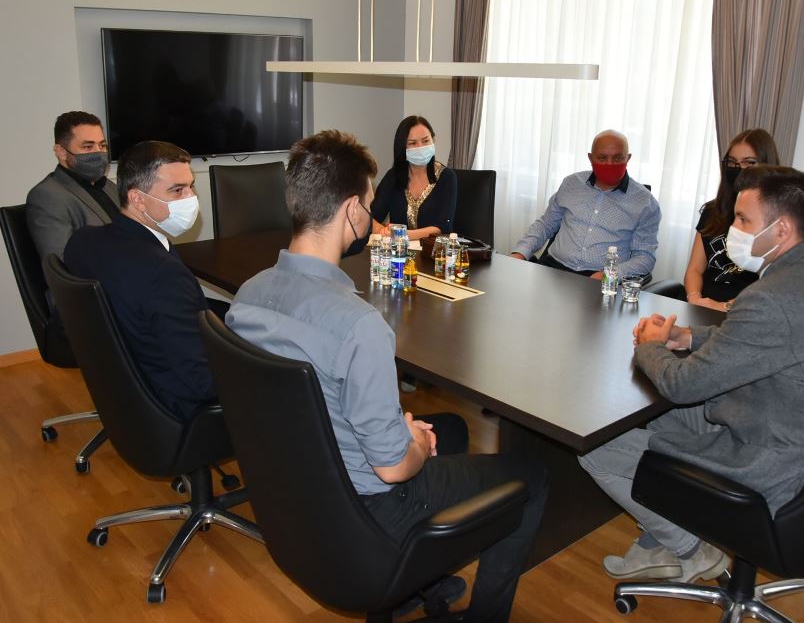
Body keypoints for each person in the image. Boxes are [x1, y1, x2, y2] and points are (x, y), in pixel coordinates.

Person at [226, 129, 548, 622]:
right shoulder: (358, 325)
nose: (371, 215)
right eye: (369, 204)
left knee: (450, 430)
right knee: (533, 476)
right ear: (351, 211)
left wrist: (404, 432)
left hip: (298, 496)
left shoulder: (247, 297)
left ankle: (422, 585)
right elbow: (394, 469)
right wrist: (410, 442)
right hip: (370, 511)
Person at [578, 166, 804, 584]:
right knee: (658, 418)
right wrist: (686, 336)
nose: (733, 230)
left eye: (743, 220)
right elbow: (758, 339)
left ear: (782, 229)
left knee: (597, 447)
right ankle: (666, 531)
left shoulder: (771, 298)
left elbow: (682, 386)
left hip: (773, 465)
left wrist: (650, 347)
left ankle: (690, 549)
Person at [64, 140, 217, 421]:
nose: (191, 198)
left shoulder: (82, 241)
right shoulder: (163, 274)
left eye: (191, 186)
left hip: (125, 394)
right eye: (177, 190)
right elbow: (202, 382)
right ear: (137, 199)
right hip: (175, 408)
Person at [510, 130, 661, 280]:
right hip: (553, 268)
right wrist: (521, 252)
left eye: (617, 158)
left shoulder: (645, 203)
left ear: (628, 158)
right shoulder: (571, 183)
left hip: (600, 277)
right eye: (602, 158)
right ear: (591, 158)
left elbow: (645, 257)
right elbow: (546, 225)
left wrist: (609, 275)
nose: (609, 164)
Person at [684, 128, 780, 311]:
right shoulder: (713, 210)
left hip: (748, 312)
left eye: (749, 163)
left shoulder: (777, 218)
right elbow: (694, 269)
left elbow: (774, 286)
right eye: (733, 163)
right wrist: (695, 298)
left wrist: (724, 306)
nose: (739, 169)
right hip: (703, 306)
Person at [27, 111, 120, 263]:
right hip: (101, 277)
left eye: (102, 145)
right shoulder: (47, 196)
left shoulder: (109, 186)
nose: (98, 153)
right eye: (88, 147)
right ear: (62, 152)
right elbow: (61, 263)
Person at [370, 115, 457, 241]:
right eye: (413, 143)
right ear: (402, 147)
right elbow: (370, 217)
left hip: (433, 251)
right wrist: (381, 230)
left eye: (426, 141)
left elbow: (443, 227)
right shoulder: (393, 177)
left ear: (433, 140)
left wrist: (400, 234)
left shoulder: (446, 177)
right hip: (398, 251)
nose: (420, 147)